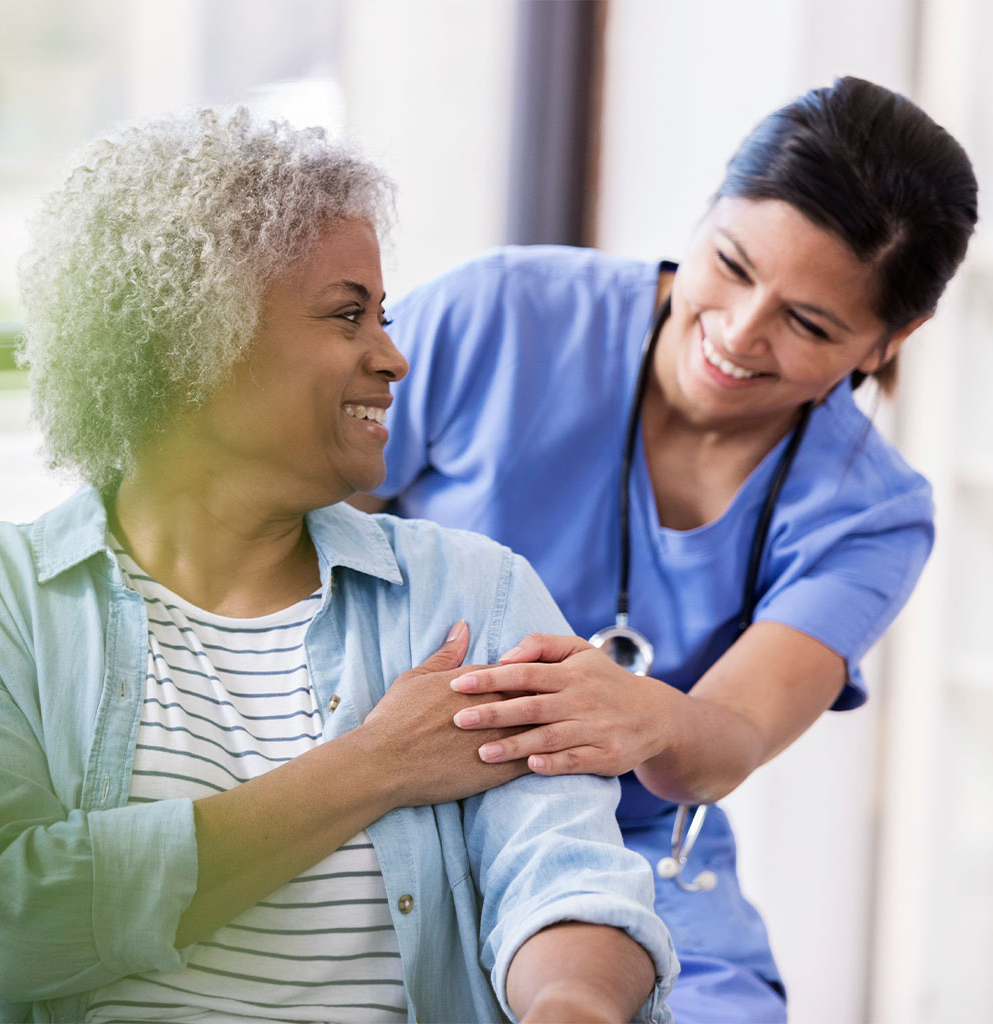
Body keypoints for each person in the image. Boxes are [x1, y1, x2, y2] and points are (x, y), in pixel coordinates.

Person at [0, 108, 679, 1023]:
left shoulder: (471, 592)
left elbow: (564, 875)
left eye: (383, 317)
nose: (393, 357)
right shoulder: (2, 598)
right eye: (349, 315)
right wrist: (376, 764)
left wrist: (573, 1008)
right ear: (195, 340)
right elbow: (6, 925)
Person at [354, 76, 979, 1022]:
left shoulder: (873, 514)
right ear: (708, 213)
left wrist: (646, 718)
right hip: (390, 779)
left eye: (809, 324)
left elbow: (723, 744)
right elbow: (282, 510)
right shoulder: (508, 314)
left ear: (890, 339)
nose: (738, 334)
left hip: (625, 838)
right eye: (729, 265)